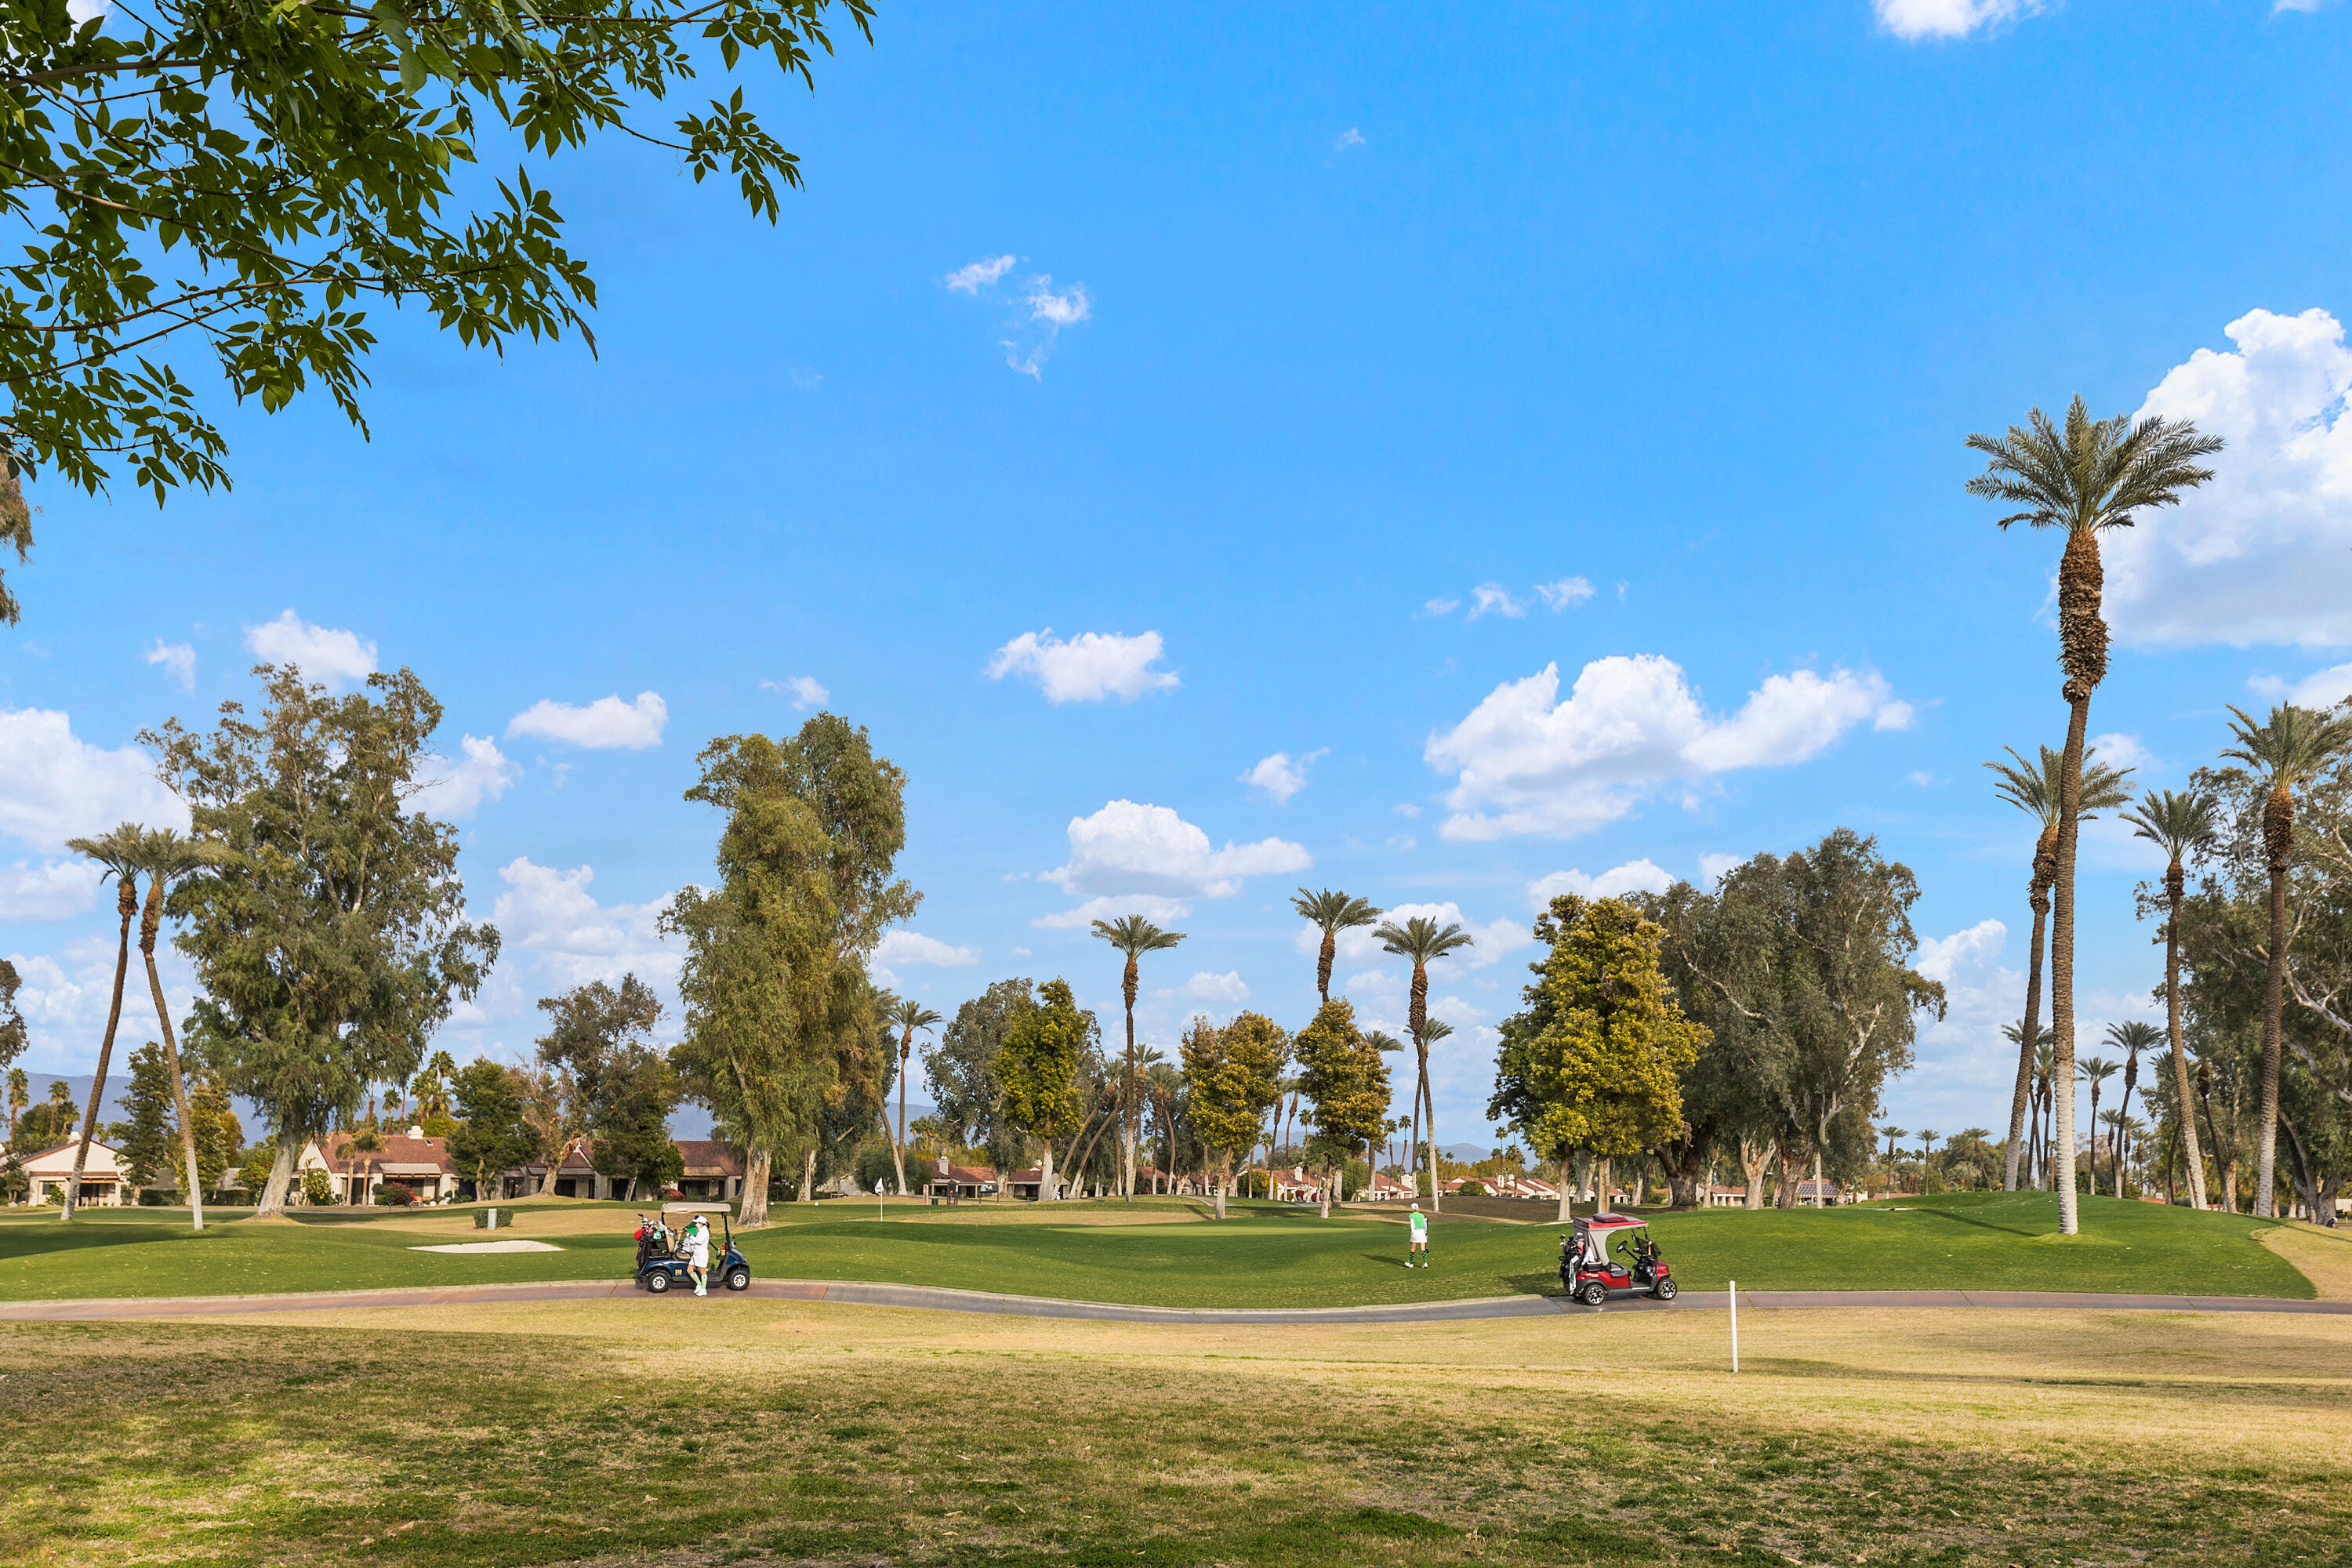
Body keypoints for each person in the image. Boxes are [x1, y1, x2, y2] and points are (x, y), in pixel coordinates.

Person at [684, 1214, 710, 1296]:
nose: (696, 1224)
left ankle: (704, 1289)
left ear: (702, 1223)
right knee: (690, 1270)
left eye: (698, 1223)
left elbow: (699, 1241)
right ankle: (699, 1284)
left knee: (702, 1271)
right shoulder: (700, 1230)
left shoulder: (705, 1231)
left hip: (702, 1254)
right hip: (696, 1254)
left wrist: (691, 1237)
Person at [1406, 1202, 1428, 1268]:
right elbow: (1425, 1226)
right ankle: (1425, 1263)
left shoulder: (1411, 1216)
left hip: (1415, 1232)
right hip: (1422, 1232)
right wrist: (1425, 1233)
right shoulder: (1422, 1215)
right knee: (1423, 1248)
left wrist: (1412, 1233)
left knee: (1413, 1248)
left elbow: (1412, 1225)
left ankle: (1411, 1263)